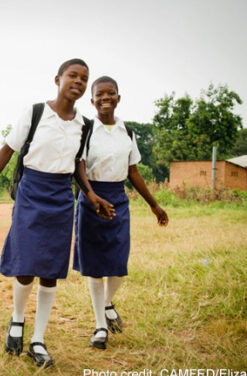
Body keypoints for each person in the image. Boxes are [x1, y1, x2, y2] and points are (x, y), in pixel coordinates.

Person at [0, 59, 110, 368]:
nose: (78, 81)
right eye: (72, 75)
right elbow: (7, 149)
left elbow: (78, 165)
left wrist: (90, 194)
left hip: (62, 196)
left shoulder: (84, 125)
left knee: (51, 269)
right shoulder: (35, 113)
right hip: (32, 190)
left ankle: (38, 339)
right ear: (57, 78)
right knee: (26, 262)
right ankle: (17, 320)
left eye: (83, 78)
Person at [74, 76, 168, 350]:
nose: (105, 98)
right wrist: (90, 195)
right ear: (92, 101)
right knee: (93, 266)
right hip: (91, 196)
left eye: (110, 93)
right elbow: (79, 165)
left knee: (118, 264)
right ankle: (100, 325)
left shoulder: (127, 131)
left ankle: (106, 303)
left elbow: (133, 171)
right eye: (99, 95)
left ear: (118, 97)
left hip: (118, 197)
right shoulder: (86, 129)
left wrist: (154, 204)